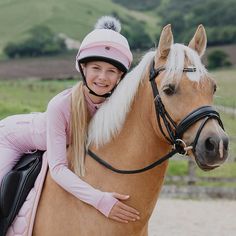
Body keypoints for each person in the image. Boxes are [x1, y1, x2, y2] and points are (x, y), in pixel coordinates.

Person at [0, 16, 140, 224]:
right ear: (83, 69)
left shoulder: (116, 109)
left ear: (120, 76)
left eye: (111, 71)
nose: (103, 77)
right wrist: (100, 200)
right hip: (12, 137)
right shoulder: (61, 105)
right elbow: (57, 169)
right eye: (96, 68)